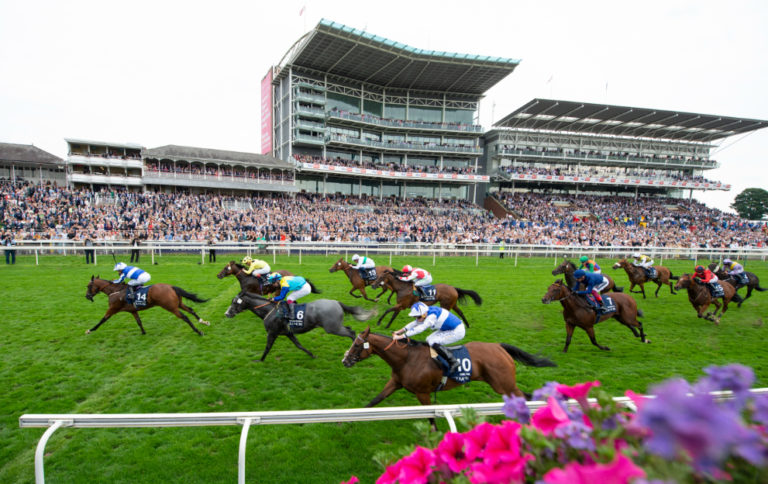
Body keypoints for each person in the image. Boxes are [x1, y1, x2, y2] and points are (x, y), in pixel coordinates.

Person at [392, 302, 464, 373]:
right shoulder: (426, 311)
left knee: (433, 342)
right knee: (428, 339)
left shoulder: (431, 316)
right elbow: (415, 323)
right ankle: (436, 357)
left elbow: (420, 328)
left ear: (424, 314)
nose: (417, 319)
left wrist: (401, 336)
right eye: (415, 317)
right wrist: (399, 331)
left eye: (418, 317)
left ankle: (453, 361)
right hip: (448, 329)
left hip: (457, 331)